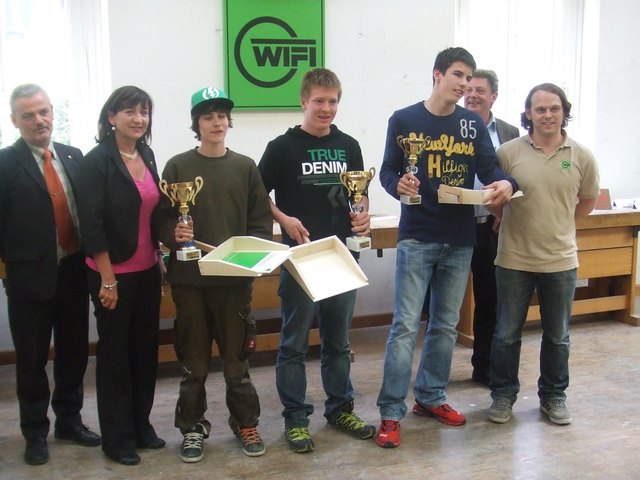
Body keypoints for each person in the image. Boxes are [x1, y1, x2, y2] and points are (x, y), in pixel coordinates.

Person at [375, 47, 518, 448]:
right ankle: (390, 411)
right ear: (437, 74)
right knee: (405, 326)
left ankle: (431, 396)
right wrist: (397, 186)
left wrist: (507, 184)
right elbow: (388, 171)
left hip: (460, 240)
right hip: (417, 236)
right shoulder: (404, 119)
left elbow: (488, 170)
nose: (463, 84)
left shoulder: (471, 124)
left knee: (445, 325)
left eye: (468, 78)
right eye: (457, 75)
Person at [258, 68, 376, 454]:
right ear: (303, 102)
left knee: (338, 342)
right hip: (302, 258)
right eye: (319, 101)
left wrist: (363, 213)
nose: (326, 109)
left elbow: (360, 193)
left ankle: (340, 409)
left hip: (341, 255)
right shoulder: (281, 147)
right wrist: (284, 219)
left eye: (333, 101)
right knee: (293, 343)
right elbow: (258, 195)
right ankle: (296, 419)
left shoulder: (350, 146)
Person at [156, 86, 272, 463]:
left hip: (234, 284)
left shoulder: (245, 167)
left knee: (237, 365)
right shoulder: (176, 167)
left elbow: (259, 223)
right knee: (194, 365)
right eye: (208, 116)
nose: (217, 122)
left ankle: (245, 423)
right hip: (190, 284)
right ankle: (192, 428)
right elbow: (160, 219)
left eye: (222, 115)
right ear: (196, 123)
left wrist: (247, 259)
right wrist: (173, 235)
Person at [0, 84, 101, 466]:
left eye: (43, 111)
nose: (39, 120)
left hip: (74, 272)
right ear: (15, 121)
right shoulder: (4, 164)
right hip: (28, 279)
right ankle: (35, 432)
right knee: (31, 360)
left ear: (52, 113)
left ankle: (69, 421)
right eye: (28, 115)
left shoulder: (74, 157)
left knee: (74, 352)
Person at [487, 83, 599, 426]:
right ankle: (503, 396)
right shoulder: (507, 153)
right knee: (506, 334)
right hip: (513, 260)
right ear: (529, 114)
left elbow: (588, 201)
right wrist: (505, 220)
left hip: (561, 261)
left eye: (554, 108)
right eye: (540, 109)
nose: (547, 115)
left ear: (564, 111)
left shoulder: (581, 155)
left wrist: (562, 225)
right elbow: (494, 200)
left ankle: (553, 397)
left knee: (558, 336)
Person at [77, 86, 165, 466]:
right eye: (129, 111)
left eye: (143, 111)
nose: (138, 118)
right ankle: (116, 439)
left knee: (144, 354)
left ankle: (140, 426)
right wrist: (107, 280)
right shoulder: (96, 162)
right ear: (111, 117)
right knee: (115, 360)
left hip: (147, 271)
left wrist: (160, 254)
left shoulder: (146, 154)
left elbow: (152, 213)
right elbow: (92, 226)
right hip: (113, 275)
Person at [463, 69, 520, 387]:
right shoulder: (452, 125)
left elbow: (516, 178)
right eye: (468, 88)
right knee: (444, 304)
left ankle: (484, 368)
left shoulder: (510, 133)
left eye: (479, 90)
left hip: (493, 227)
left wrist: (505, 209)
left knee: (490, 299)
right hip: (456, 226)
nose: (472, 94)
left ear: (493, 96)